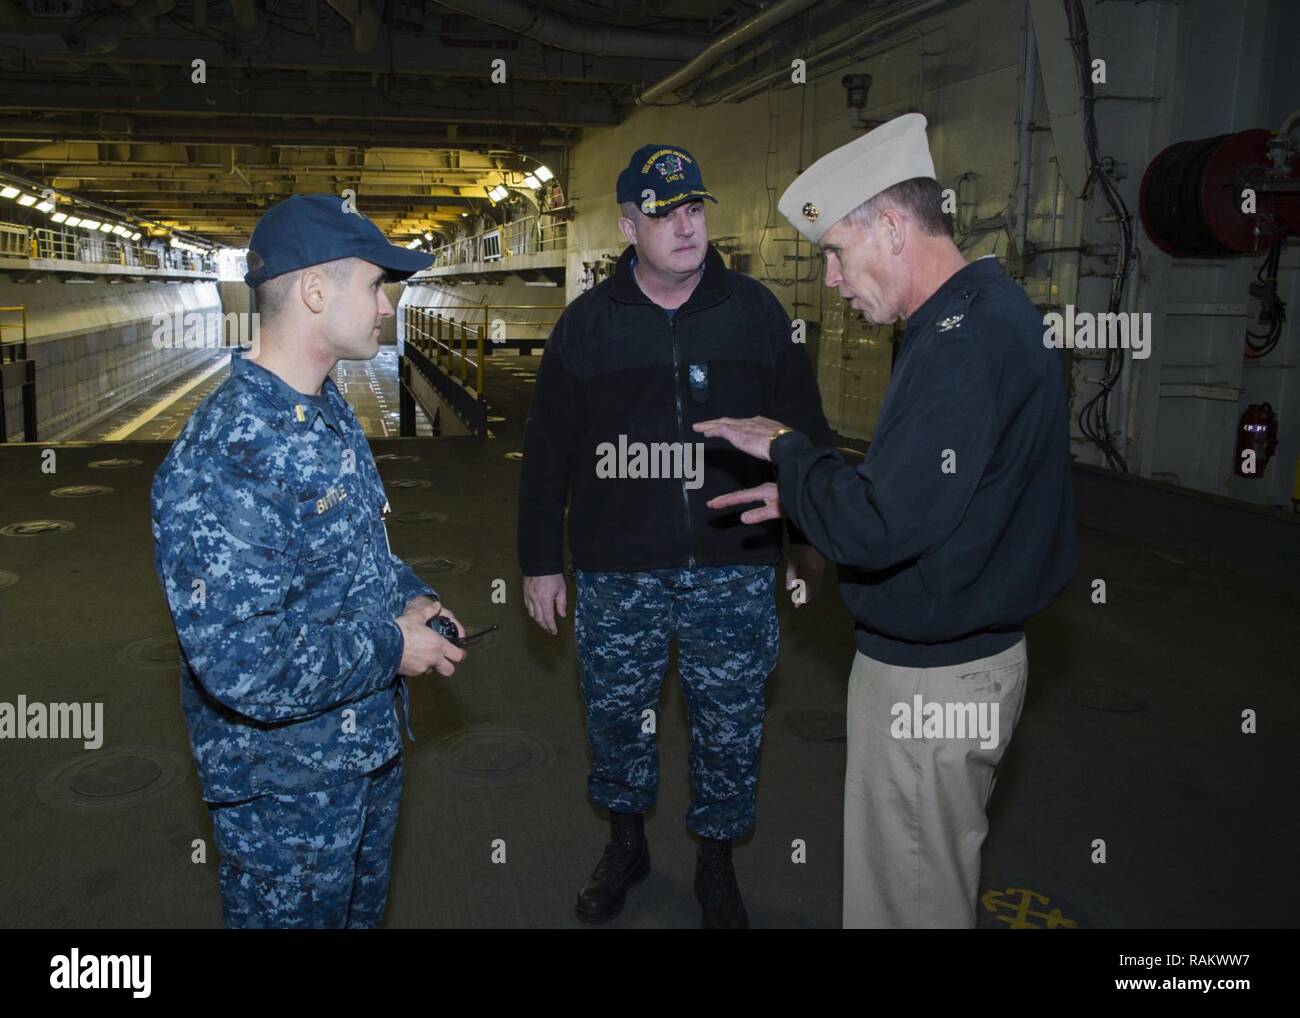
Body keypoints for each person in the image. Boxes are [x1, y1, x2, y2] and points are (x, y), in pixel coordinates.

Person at [695, 114, 1077, 928]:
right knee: (924, 881)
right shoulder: (988, 311)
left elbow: (877, 527)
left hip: (930, 681)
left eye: (835, 251)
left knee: (906, 899)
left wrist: (794, 457)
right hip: (971, 661)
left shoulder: (956, 346)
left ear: (894, 227)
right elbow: (939, 491)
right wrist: (809, 494)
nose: (830, 279)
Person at [518, 143, 834, 929]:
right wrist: (538, 563)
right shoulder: (586, 328)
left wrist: (809, 538)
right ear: (629, 227)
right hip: (617, 569)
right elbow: (548, 455)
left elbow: (806, 433)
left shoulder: (757, 313)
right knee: (616, 715)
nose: (686, 227)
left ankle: (716, 863)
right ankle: (626, 845)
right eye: (664, 215)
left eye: (694, 209)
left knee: (730, 719)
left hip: (731, 566)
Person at [150, 193, 466, 928]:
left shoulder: (326, 412)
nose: (386, 305)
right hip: (285, 795)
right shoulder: (226, 454)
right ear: (316, 291)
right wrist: (394, 646)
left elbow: (357, 552)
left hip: (362, 756)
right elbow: (242, 664)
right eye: (376, 285)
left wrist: (409, 597)